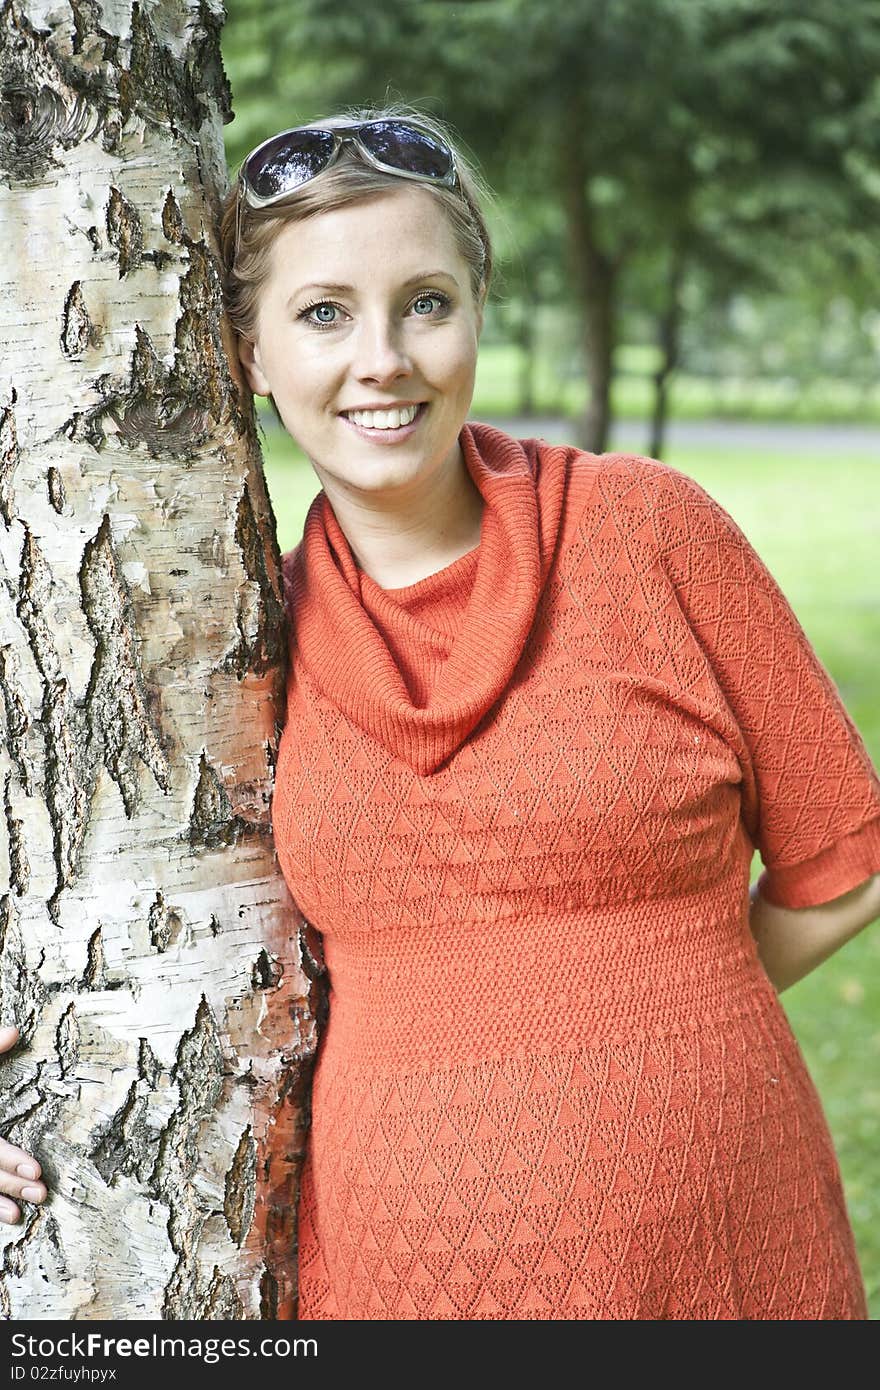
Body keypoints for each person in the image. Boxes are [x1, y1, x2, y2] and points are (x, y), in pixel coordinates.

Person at [3, 100, 880, 1320]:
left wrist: (659, 1004)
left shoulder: (648, 529)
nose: (384, 360)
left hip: (724, 1244)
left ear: (477, 314)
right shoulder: (224, 638)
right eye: (323, 315)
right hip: (406, 1281)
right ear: (246, 355)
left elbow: (845, 861)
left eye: (426, 302)